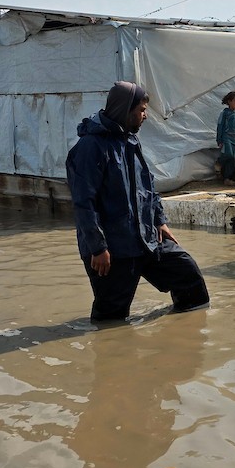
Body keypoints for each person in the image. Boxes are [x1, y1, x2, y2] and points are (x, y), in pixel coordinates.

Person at [65, 81, 211, 323]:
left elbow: (148, 186)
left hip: (146, 239)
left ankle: (181, 338)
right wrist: (98, 248)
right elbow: (84, 203)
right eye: (142, 110)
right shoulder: (90, 148)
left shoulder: (130, 142)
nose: (145, 116)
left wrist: (159, 220)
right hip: (113, 249)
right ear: (125, 109)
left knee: (188, 276)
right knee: (111, 318)